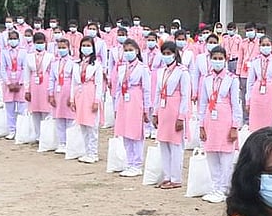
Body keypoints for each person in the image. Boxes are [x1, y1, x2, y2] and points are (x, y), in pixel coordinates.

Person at [194, 45, 242, 201]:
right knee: (211, 154)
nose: (217, 61)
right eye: (214, 58)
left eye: (220, 58)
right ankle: (215, 186)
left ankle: (224, 188)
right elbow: (202, 103)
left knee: (225, 155)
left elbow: (236, 104)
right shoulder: (207, 79)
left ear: (226, 59)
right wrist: (201, 125)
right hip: (210, 119)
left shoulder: (231, 79)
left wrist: (235, 126)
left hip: (225, 119)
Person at [151, 41, 190, 188]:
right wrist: (155, 113)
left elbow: (186, 95)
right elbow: (157, 93)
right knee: (163, 143)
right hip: (163, 107)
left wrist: (181, 116)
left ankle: (176, 178)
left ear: (175, 54)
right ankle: (167, 176)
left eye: (169, 53)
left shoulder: (182, 71)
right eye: (164, 54)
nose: (166, 56)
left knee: (175, 145)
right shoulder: (161, 72)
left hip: (175, 108)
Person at [113, 39, 151, 176]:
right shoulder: (122, 68)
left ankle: (137, 164)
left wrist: (147, 109)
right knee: (125, 133)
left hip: (136, 99)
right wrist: (116, 107)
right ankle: (129, 163)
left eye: (131, 50)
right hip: (124, 100)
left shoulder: (142, 68)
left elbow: (147, 90)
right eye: (126, 50)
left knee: (135, 133)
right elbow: (117, 89)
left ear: (136, 51)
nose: (128, 53)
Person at [69, 36, 104, 164]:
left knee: (92, 126)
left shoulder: (97, 65)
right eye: (84, 45)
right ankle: (86, 151)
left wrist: (97, 101)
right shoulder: (76, 64)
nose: (86, 48)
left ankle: (93, 153)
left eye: (88, 46)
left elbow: (99, 84)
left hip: (91, 95)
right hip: (80, 96)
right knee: (83, 125)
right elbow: (73, 82)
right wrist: (72, 99)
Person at [23, 32, 55, 143]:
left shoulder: (50, 56)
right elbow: (26, 74)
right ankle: (37, 135)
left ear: (45, 43)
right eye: (37, 43)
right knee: (35, 111)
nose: (39, 45)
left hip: (45, 84)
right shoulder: (29, 57)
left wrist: (51, 90)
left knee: (46, 110)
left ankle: (46, 135)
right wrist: (27, 89)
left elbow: (52, 74)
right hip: (34, 84)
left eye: (41, 43)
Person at [246, 36, 272, 129]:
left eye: (268, 45)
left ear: (271, 46)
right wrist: (248, 100)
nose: (265, 47)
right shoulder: (255, 61)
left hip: (271, 90)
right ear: (259, 46)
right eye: (263, 45)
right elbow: (250, 82)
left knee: (270, 116)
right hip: (257, 91)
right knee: (256, 118)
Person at [48, 38, 77, 153]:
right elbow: (51, 79)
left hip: (68, 90)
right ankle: (62, 142)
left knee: (69, 118)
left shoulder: (73, 62)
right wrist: (50, 94)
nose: (61, 50)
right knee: (59, 118)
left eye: (63, 47)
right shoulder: (54, 63)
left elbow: (75, 80)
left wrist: (72, 96)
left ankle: (70, 142)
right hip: (57, 91)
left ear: (68, 48)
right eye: (59, 48)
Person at [1, 30, 28, 139]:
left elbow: (25, 67)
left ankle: (21, 131)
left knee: (22, 107)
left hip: (20, 79)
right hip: (8, 79)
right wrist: (8, 83)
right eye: (11, 38)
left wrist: (20, 83)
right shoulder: (4, 51)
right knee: (9, 108)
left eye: (14, 38)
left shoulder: (23, 51)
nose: (13, 41)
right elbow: (2, 68)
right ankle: (11, 130)